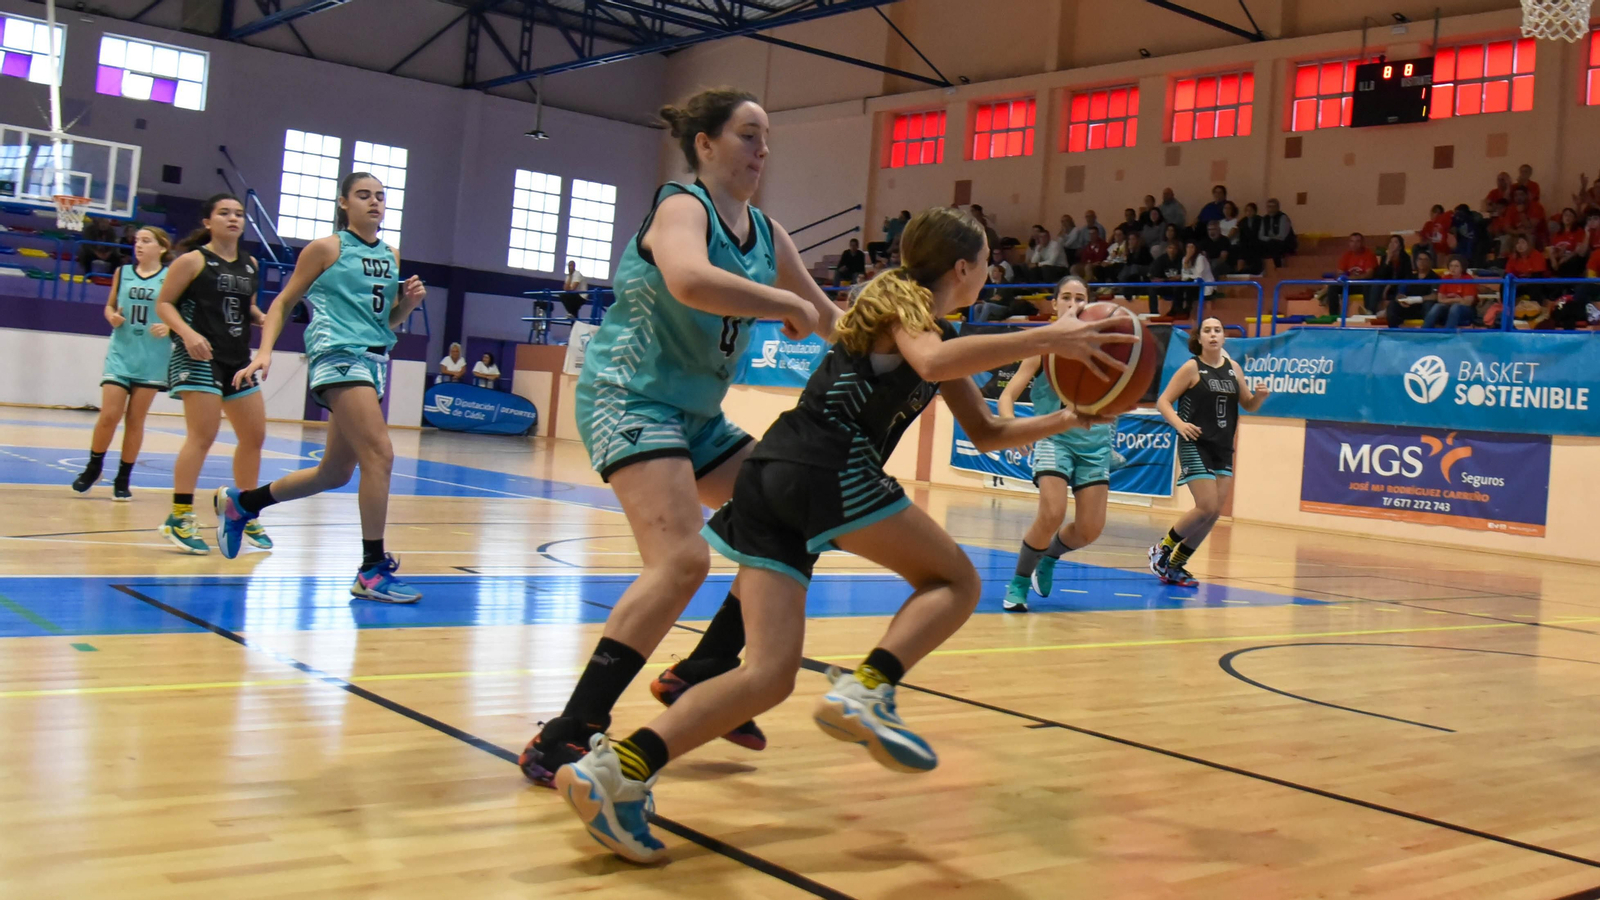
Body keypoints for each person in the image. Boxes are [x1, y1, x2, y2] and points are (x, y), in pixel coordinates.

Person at [549, 207, 1129, 863]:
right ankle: (869, 688)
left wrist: (1073, 417)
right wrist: (1049, 337)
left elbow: (989, 432)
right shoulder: (905, 304)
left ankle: (617, 772)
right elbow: (933, 360)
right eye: (987, 262)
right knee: (956, 582)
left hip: (772, 476)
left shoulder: (931, 328)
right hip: (825, 465)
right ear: (963, 267)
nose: (990, 273)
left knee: (767, 676)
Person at [517, 88, 840, 787]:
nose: (762, 150)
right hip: (630, 396)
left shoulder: (768, 233)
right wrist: (785, 301)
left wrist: (908, 354)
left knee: (802, 507)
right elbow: (691, 280)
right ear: (705, 143)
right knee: (682, 561)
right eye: (748, 135)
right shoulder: (681, 207)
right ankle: (568, 730)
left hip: (695, 417)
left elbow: (827, 318)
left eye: (766, 138)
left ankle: (704, 667)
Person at [213, 172, 428, 602]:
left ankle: (243, 504)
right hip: (338, 354)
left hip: (374, 360)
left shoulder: (391, 254)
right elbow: (283, 302)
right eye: (363, 195)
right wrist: (264, 351)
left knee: (334, 472)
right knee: (380, 455)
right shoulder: (327, 248)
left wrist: (408, 304)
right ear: (343, 203)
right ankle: (371, 570)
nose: (374, 202)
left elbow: (385, 322)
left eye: (380, 196)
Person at [153, 194, 270, 555]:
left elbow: (246, 306)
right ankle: (179, 516)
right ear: (208, 222)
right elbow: (164, 303)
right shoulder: (193, 260)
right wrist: (187, 334)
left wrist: (262, 318)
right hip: (198, 356)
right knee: (203, 435)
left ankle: (243, 509)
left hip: (237, 358)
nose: (233, 218)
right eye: (224, 213)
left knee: (254, 436)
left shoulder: (250, 264)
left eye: (239, 214)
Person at [997, 275, 1115, 612]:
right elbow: (1007, 397)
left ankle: (1048, 557)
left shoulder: (1104, 346)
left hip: (1095, 444)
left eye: (1080, 297)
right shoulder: (1043, 346)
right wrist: (1012, 428)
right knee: (1052, 513)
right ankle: (1019, 583)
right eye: (1066, 297)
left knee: (1090, 530)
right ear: (1054, 304)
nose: (1073, 303)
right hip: (1054, 438)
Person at [1149, 318, 1267, 588]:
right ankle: (1161, 549)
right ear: (1199, 338)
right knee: (1206, 506)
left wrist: (1260, 397)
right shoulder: (1192, 367)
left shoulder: (1233, 368)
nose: (1213, 334)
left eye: (1217, 330)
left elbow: (1248, 404)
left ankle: (1176, 565)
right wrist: (1180, 424)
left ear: (1224, 337)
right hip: (1195, 442)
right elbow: (1163, 401)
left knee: (1214, 514)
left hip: (1222, 446)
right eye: (1207, 330)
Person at [70, 227, 173, 500]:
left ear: (162, 247)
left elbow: (183, 314)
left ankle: (123, 477)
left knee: (135, 420)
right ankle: (94, 467)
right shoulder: (123, 272)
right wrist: (111, 316)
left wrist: (170, 327)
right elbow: (109, 305)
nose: (138, 245)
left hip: (152, 357)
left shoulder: (171, 277)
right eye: (137, 241)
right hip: (122, 351)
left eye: (146, 241)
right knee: (109, 415)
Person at [1426, 255, 1479, 329]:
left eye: (1456, 266)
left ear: (1462, 268)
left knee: (1455, 307)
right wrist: (1458, 299)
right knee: (1437, 306)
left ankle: (1448, 332)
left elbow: (1468, 302)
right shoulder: (1446, 278)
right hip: (1449, 307)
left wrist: (1449, 299)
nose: (1453, 269)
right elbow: (1440, 299)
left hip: (1466, 311)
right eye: (1451, 266)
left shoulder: (1468, 279)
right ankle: (1424, 330)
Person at [1386, 248, 1434, 328]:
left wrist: (1416, 299)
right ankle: (1396, 329)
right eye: (1420, 259)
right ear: (1416, 261)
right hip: (1409, 307)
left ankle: (1427, 329)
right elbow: (1400, 293)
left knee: (1429, 304)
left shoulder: (1435, 278)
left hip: (1423, 307)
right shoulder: (1410, 277)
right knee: (1393, 304)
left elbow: (1435, 295)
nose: (1422, 262)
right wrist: (1401, 299)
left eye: (1425, 259)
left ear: (1430, 262)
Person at [1370, 234, 1414, 317]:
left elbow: (1407, 276)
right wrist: (1387, 260)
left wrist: (1389, 285)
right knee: (1376, 284)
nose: (1392, 244)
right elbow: (1380, 276)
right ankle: (1371, 311)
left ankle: (1393, 310)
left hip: (1399, 284)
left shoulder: (1405, 258)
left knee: (1404, 285)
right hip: (1386, 283)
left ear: (1400, 246)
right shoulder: (1385, 258)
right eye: (1391, 242)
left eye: (1395, 242)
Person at [1177, 240, 1214, 320]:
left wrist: (1189, 276)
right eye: (1188, 247)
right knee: (1178, 287)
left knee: (1190, 288)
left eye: (1192, 247)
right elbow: (1183, 276)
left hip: (1205, 283)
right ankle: (1179, 309)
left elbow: (1199, 275)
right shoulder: (1184, 259)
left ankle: (1188, 310)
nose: (1190, 249)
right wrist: (1186, 261)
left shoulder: (1201, 258)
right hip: (1192, 283)